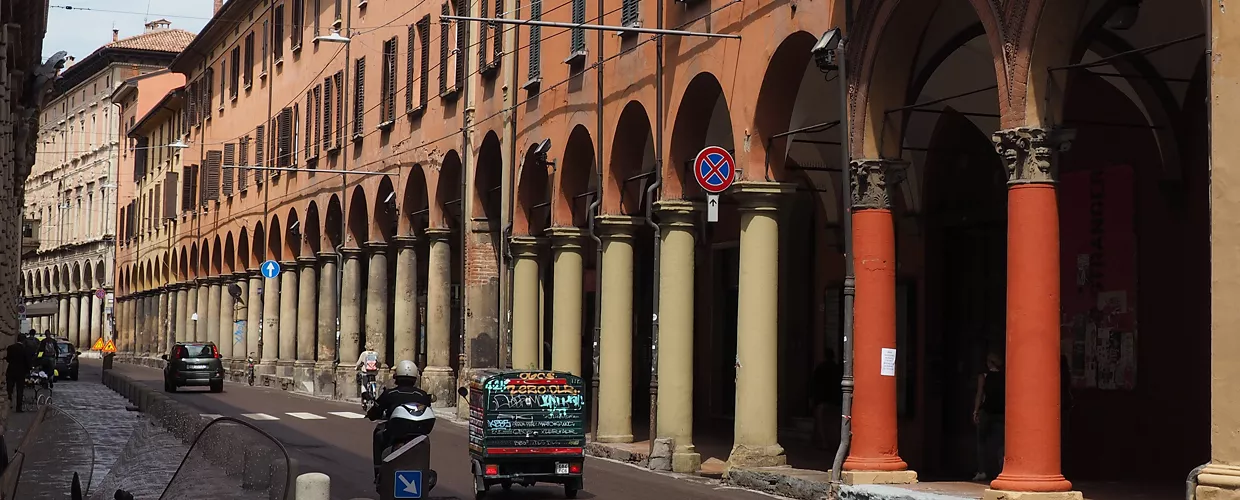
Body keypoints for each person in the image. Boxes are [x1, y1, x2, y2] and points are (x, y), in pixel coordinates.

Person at [366, 360, 432, 482]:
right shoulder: (422, 395)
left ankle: (379, 471)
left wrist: (371, 414)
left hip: (394, 433)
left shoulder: (390, 393)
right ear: (415, 378)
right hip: (417, 432)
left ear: (397, 377)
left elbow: (375, 412)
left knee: (378, 434)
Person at [972, 350, 1005, 481]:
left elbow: (980, 394)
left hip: (987, 411)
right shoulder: (1005, 376)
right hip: (1001, 412)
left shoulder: (984, 376)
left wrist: (975, 411)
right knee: (1001, 444)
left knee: (981, 441)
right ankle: (1001, 470)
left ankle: (982, 470)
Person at [4, 335, 30, 412]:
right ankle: (18, 407)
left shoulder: (10, 347)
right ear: (23, 340)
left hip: (11, 370)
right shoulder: (25, 349)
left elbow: (8, 359)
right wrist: (28, 370)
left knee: (9, 388)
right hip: (21, 372)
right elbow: (27, 362)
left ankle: (8, 403)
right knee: (20, 390)